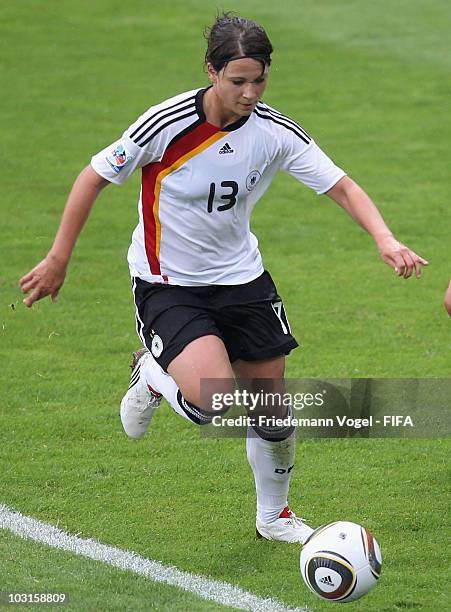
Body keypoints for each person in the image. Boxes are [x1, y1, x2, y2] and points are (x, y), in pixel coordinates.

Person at [19, 13, 428, 544]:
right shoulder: (165, 125)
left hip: (243, 282)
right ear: (211, 72)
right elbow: (94, 176)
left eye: (259, 80)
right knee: (213, 403)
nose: (250, 92)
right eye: (238, 81)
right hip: (169, 285)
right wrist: (58, 259)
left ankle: (274, 516)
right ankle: (152, 374)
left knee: (271, 412)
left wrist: (386, 239)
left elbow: (342, 185)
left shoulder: (274, 132)